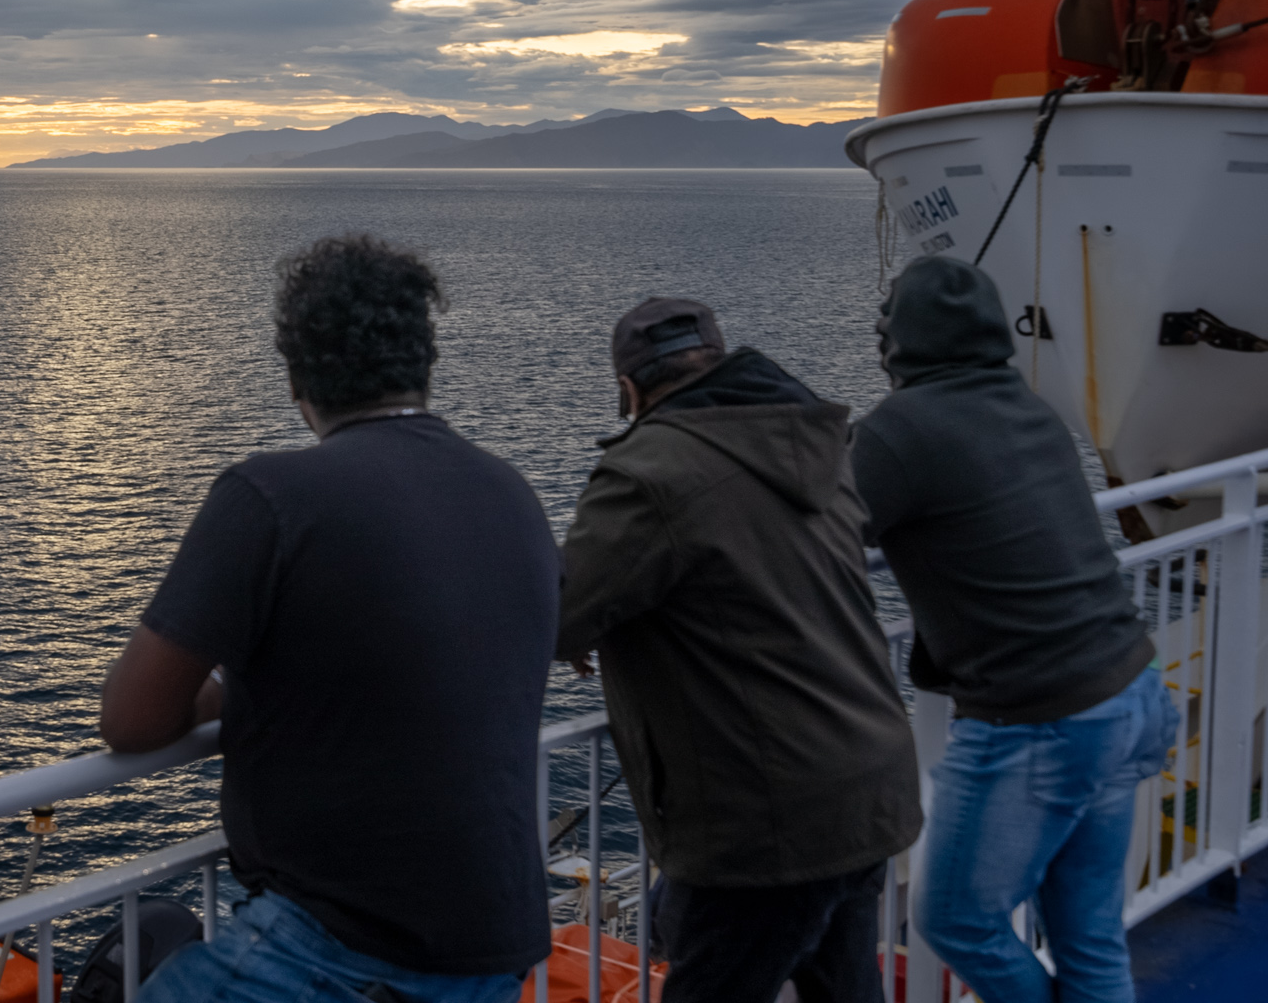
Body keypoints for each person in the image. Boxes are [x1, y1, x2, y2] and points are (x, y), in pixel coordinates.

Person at [100, 234, 560, 1003]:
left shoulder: (270, 497)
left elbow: (131, 719)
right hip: (494, 948)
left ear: (294, 379)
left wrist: (226, 687)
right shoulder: (507, 490)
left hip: (343, 950)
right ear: (424, 362)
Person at [557, 297, 922, 1003]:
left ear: (629, 390)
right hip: (866, 781)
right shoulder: (815, 441)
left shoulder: (650, 473)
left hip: (769, 821)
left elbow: (559, 615)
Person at [852, 255, 1174, 1003]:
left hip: (1040, 717)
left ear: (897, 343)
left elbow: (820, 528)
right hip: (1129, 687)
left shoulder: (901, 428)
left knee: (958, 920)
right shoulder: (1027, 406)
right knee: (1090, 939)